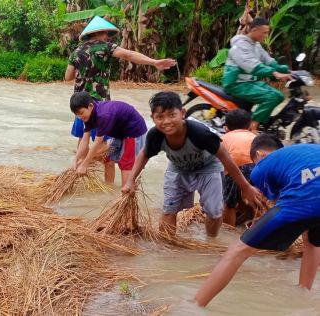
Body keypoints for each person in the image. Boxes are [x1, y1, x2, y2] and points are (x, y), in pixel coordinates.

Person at [193, 137, 320, 307]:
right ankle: (303, 293)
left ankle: (194, 305)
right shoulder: (302, 152)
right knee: (312, 243)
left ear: (258, 155)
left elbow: (271, 203)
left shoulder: (260, 168)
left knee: (236, 251)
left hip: (304, 201)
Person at [121, 91, 264, 238]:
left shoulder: (198, 132)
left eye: (172, 115)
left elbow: (224, 156)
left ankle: (211, 241)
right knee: (169, 209)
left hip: (208, 168)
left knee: (214, 212)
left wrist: (245, 187)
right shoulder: (155, 135)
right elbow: (144, 154)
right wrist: (130, 180)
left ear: (182, 113)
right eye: (160, 117)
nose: (166, 121)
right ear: (153, 118)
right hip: (178, 169)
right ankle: (167, 246)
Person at [65, 16, 176, 185]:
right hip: (99, 105)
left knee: (83, 140)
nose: (107, 37)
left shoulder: (76, 51)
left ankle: (76, 172)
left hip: (79, 105)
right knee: (106, 153)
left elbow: (67, 77)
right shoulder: (106, 47)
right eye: (106, 34)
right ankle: (107, 186)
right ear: (101, 33)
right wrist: (154, 62)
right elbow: (129, 55)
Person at [223, 17, 292, 130]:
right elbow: (251, 64)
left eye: (267, 33)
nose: (265, 36)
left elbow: (268, 60)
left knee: (279, 96)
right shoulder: (240, 45)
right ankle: (252, 128)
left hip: (249, 82)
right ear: (254, 30)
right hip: (236, 83)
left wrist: (286, 70)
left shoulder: (256, 45)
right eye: (264, 33)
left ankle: (261, 125)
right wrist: (274, 73)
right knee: (271, 97)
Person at [70, 92, 147, 187]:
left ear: (90, 106)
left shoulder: (103, 115)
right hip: (119, 132)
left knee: (126, 163)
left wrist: (85, 164)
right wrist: (76, 159)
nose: (80, 117)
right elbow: (85, 140)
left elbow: (97, 143)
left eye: (81, 113)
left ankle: (125, 196)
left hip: (133, 130)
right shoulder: (88, 116)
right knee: (108, 159)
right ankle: (109, 188)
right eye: (77, 115)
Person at [221, 109, 257, 226]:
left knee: (229, 203)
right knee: (257, 200)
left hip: (237, 166)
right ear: (251, 126)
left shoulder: (224, 138)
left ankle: (227, 234)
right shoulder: (255, 136)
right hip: (260, 165)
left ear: (226, 128)